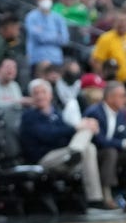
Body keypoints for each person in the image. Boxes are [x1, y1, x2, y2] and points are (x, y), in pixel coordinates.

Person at [19, 78, 119, 212]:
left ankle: (95, 201)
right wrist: (78, 127)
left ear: (50, 95)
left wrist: (86, 125)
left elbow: (65, 134)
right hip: (44, 158)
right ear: (31, 97)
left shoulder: (56, 114)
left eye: (43, 92)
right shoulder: (28, 116)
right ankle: (75, 152)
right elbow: (47, 135)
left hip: (63, 155)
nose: (40, 96)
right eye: (36, 93)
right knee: (84, 133)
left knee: (89, 147)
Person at [84, 81, 126, 213]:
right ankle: (106, 198)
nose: (125, 99)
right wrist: (125, 143)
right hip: (94, 155)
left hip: (112, 151)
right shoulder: (94, 112)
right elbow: (99, 140)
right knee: (110, 152)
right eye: (122, 96)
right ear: (110, 97)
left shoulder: (121, 113)